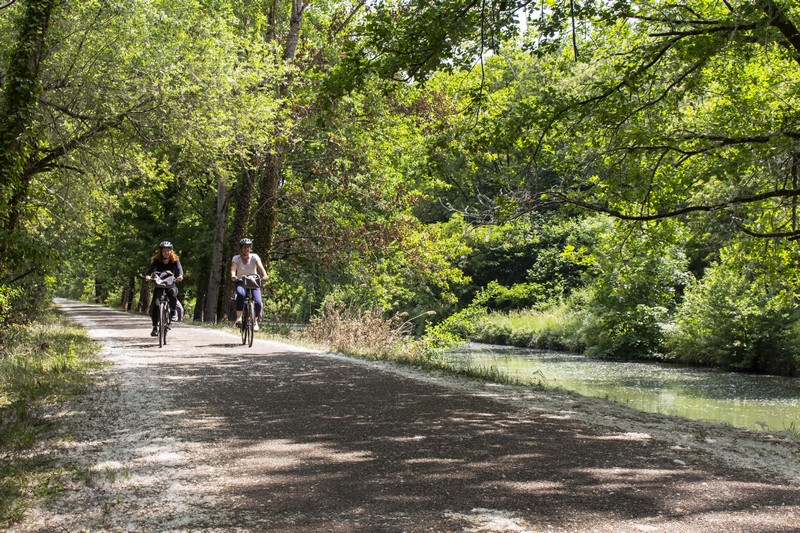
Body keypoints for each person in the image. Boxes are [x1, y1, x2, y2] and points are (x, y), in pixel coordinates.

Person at [144, 241, 184, 337]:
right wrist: (148, 276)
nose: (166, 252)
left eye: (168, 250)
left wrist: (180, 276)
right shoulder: (157, 260)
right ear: (161, 252)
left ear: (171, 251)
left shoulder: (175, 260)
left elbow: (180, 269)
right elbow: (149, 270)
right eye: (164, 251)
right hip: (159, 285)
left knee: (172, 293)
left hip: (170, 284)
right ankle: (155, 327)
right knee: (156, 305)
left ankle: (173, 312)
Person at [230, 237, 268, 330]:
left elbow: (260, 267)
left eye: (248, 247)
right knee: (240, 294)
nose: (246, 249)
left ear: (250, 248)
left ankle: (255, 322)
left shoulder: (255, 256)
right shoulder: (236, 258)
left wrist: (265, 275)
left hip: (253, 282)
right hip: (241, 281)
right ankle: (239, 317)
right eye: (244, 247)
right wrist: (233, 275)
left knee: (259, 302)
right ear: (241, 248)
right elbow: (233, 269)